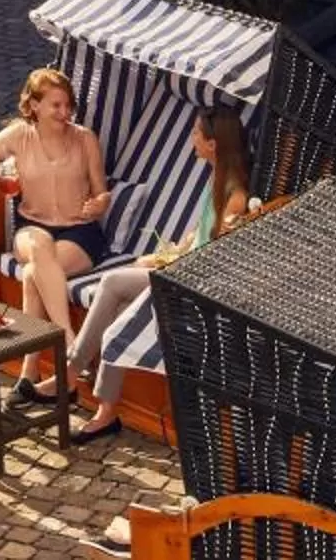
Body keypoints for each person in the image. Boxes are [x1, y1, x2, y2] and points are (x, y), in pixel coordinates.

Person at [61, 106, 253, 445]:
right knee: (117, 300)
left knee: (112, 286)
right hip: (180, 271)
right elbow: (197, 238)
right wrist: (164, 255)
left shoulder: (235, 196)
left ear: (213, 144)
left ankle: (72, 375)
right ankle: (102, 408)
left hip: (192, 288)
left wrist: (169, 264)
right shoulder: (215, 179)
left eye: (197, 134)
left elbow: (216, 259)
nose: (192, 138)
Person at [0, 67, 109, 392]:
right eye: (56, 105)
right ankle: (69, 341)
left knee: (33, 274)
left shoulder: (85, 139)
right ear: (35, 105)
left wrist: (99, 204)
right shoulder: (18, 136)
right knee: (39, 248)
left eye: (68, 105)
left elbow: (102, 192)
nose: (64, 112)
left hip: (80, 232)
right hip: (33, 227)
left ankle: (29, 371)